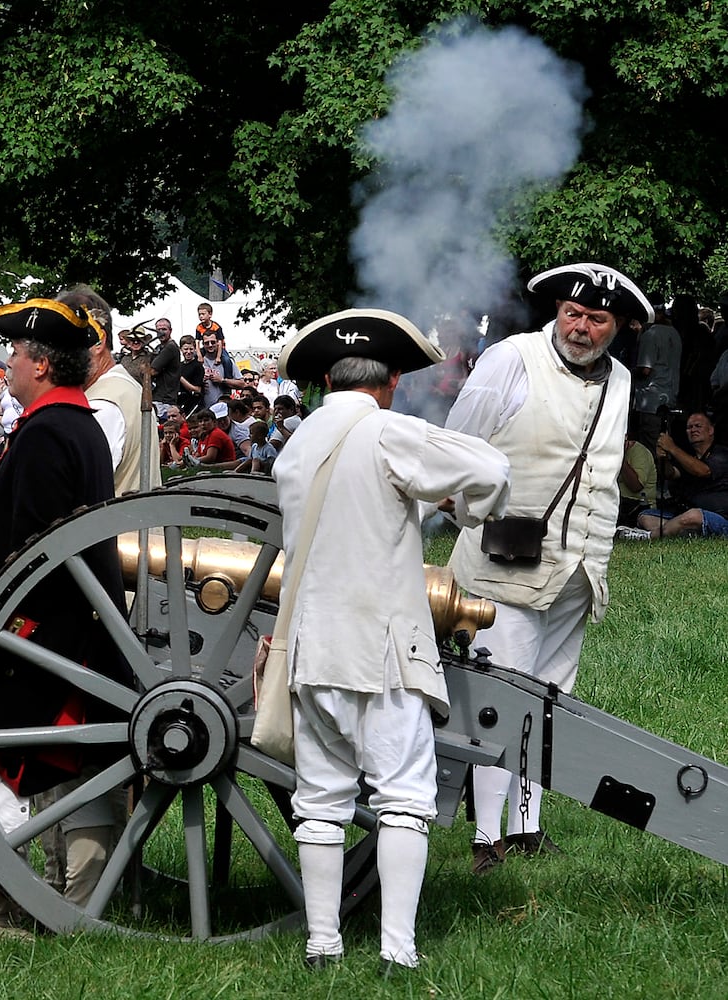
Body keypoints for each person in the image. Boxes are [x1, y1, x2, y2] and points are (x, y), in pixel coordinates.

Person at [271, 308, 510, 972]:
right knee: (404, 798)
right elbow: (489, 469)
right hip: (383, 648)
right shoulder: (386, 431)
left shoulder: (296, 445)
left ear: (324, 378)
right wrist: (462, 510)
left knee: (319, 802)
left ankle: (322, 945)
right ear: (393, 380)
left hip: (314, 647)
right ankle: (396, 953)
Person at [446, 262, 651, 873]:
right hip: (505, 558)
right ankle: (485, 838)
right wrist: (467, 515)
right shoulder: (511, 358)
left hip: (579, 568)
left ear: (617, 328)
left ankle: (528, 828)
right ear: (556, 311)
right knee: (498, 700)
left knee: (551, 697)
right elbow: (460, 446)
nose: (581, 327)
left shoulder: (618, 379)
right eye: (573, 313)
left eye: (597, 318)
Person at [0, 296, 130, 946]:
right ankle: (70, 900)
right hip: (71, 632)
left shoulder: (48, 432)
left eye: (15, 356)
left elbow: (37, 554)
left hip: (45, 636)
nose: (5, 367)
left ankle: (12, 908)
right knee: (70, 767)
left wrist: (4, 631)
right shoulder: (74, 424)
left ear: (43, 364)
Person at [64, 285, 162, 494]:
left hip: (116, 526)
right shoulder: (121, 386)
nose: (58, 355)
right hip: (134, 522)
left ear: (98, 342)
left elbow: (80, 491)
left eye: (65, 343)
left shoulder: (102, 405)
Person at [636, 412, 728, 538]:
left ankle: (648, 537)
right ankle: (684, 530)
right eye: (689, 427)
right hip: (686, 513)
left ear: (711, 430)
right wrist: (662, 458)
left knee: (693, 515)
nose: (693, 430)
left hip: (719, 517)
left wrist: (672, 448)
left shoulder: (722, 453)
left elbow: (703, 471)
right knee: (645, 516)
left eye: (698, 426)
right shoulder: (689, 457)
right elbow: (671, 474)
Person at [631, 302, 681, 454]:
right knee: (664, 448)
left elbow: (645, 369)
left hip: (650, 401)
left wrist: (627, 372)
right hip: (669, 397)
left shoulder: (651, 334)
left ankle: (651, 477)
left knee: (648, 449)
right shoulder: (674, 333)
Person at [199, 328, 245, 407]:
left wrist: (222, 380)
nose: (210, 345)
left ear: (218, 343)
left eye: (213, 342)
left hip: (223, 409)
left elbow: (242, 384)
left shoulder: (227, 362)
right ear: (203, 345)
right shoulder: (199, 362)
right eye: (207, 343)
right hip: (204, 410)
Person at [149, 318, 181, 417]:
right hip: (159, 397)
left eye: (164, 329)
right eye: (158, 330)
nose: (161, 332)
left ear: (170, 331)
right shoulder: (159, 347)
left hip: (164, 399)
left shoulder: (170, 347)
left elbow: (152, 371)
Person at [176, 335, 205, 416]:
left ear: (195, 349)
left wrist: (180, 378)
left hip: (193, 405)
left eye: (191, 349)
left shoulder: (198, 366)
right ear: (180, 349)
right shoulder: (179, 366)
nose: (188, 352)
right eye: (185, 349)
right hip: (180, 403)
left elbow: (197, 389)